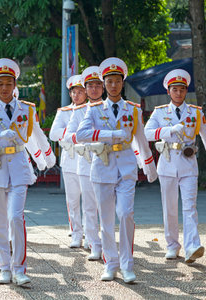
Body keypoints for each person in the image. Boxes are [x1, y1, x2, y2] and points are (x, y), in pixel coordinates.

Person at [0, 58, 55, 286]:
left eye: (8, 83)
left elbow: (36, 136)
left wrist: (45, 157)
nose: (4, 88)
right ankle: (4, 267)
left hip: (19, 168)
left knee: (16, 217)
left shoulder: (26, 108)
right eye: (0, 84)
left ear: (15, 84)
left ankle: (19, 268)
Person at [76, 57, 157, 283]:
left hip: (126, 167)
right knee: (107, 218)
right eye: (109, 81)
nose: (113, 85)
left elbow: (141, 140)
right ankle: (110, 264)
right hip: (102, 167)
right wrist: (109, 135)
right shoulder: (93, 110)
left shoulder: (132, 110)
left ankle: (127, 264)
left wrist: (149, 166)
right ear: (103, 84)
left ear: (122, 83)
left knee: (125, 214)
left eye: (117, 81)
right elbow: (81, 135)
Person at [144, 69, 206, 263]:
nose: (178, 93)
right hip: (168, 163)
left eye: (182, 89)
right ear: (168, 91)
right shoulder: (160, 112)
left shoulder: (195, 112)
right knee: (169, 208)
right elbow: (146, 133)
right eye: (175, 89)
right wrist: (169, 130)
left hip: (188, 164)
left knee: (190, 207)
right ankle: (172, 245)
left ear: (186, 91)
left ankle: (192, 246)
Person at [63, 66, 104, 261]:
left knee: (105, 206)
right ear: (85, 89)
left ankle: (105, 241)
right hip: (86, 161)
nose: (94, 90)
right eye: (90, 86)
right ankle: (94, 244)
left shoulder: (110, 108)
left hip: (108, 161)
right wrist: (87, 137)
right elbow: (69, 135)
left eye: (98, 85)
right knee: (88, 205)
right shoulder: (79, 112)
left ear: (103, 88)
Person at [49, 75, 86, 248]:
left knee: (89, 198)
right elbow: (53, 134)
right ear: (70, 94)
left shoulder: (91, 109)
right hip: (70, 158)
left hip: (87, 158)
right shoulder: (63, 112)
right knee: (72, 200)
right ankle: (76, 232)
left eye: (80, 92)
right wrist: (75, 132)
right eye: (74, 92)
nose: (77, 95)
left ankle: (89, 230)